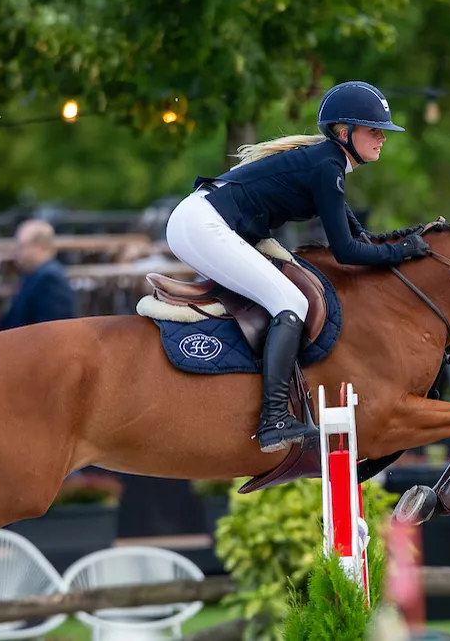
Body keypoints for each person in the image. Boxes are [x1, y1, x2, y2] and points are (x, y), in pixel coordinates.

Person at [164, 80, 430, 453]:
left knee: (284, 298)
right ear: (345, 133)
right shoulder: (327, 165)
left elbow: (352, 227)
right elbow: (346, 252)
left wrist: (390, 245)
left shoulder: (328, 162)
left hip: (202, 219)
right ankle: (274, 419)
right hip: (203, 224)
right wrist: (400, 251)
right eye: (374, 130)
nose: (382, 138)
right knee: (292, 303)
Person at [0, 219, 78, 331]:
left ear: (39, 246)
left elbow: (52, 330)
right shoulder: (34, 275)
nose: (16, 252)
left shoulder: (49, 279)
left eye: (21, 246)